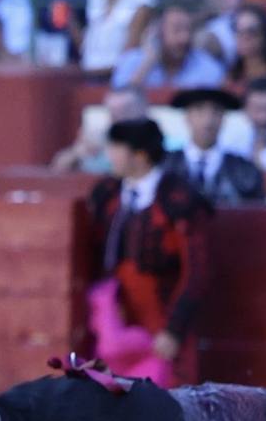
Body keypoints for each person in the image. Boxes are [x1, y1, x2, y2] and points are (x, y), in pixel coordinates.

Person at [81, 116, 212, 387]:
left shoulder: (179, 200)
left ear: (140, 156)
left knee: (167, 402)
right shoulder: (107, 193)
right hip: (114, 318)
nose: (110, 156)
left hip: (162, 320)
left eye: (116, 149)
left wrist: (174, 330)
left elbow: (197, 271)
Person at [169, 85, 266, 203]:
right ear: (187, 117)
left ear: (223, 119)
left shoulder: (245, 171)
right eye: (199, 110)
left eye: (216, 111)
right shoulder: (164, 165)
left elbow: (257, 215)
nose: (208, 120)